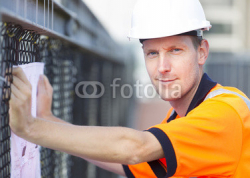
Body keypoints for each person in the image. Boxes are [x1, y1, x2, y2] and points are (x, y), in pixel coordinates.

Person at [9, 0, 250, 177]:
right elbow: (128, 162)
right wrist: (47, 120)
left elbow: (136, 148)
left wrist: (31, 128)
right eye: (152, 54)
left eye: (175, 50)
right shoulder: (180, 119)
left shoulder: (225, 113)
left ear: (202, 52)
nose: (162, 67)